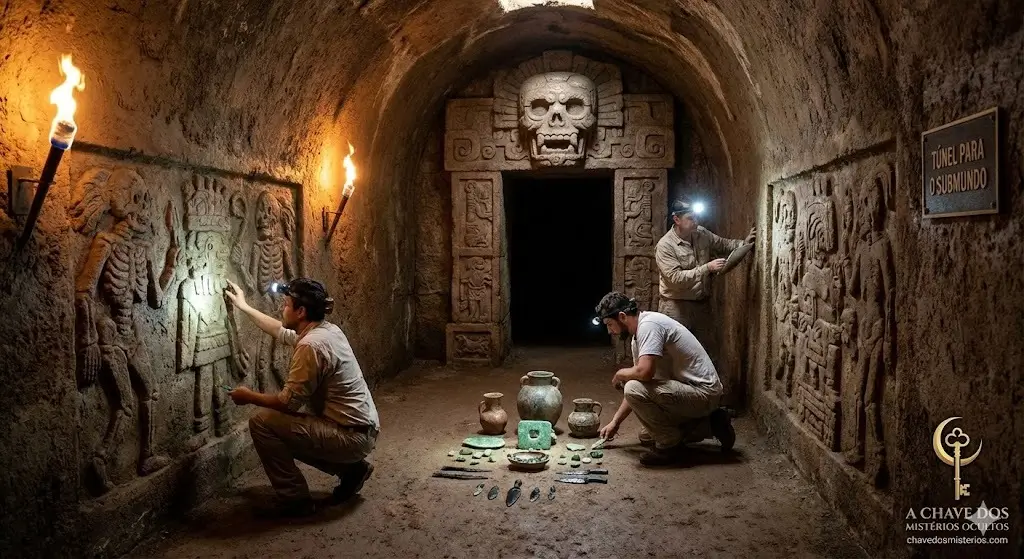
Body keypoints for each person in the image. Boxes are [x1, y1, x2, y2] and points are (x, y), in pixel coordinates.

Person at [224, 277, 380, 517]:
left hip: (350, 436)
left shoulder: (311, 346)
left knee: (263, 423)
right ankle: (353, 471)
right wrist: (243, 306)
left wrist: (248, 396)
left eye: (286, 304)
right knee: (293, 428)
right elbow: (279, 330)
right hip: (362, 430)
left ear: (301, 311)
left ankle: (294, 500)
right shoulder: (327, 331)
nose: (282, 308)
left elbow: (287, 403)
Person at [594, 291, 735, 466]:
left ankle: (670, 448)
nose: (610, 331)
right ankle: (712, 423)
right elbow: (643, 383)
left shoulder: (649, 326)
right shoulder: (638, 336)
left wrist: (620, 374)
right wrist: (615, 422)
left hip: (702, 392)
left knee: (631, 387)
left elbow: (643, 374)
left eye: (609, 324)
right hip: (690, 392)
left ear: (622, 316)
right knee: (647, 436)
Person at [655, 197, 755, 352]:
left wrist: (744, 243)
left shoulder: (701, 233)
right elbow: (675, 279)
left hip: (701, 305)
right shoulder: (665, 246)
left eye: (697, 217)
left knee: (705, 352)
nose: (695, 221)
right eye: (690, 218)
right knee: (677, 354)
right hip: (676, 307)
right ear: (677, 219)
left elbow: (723, 244)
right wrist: (706, 268)